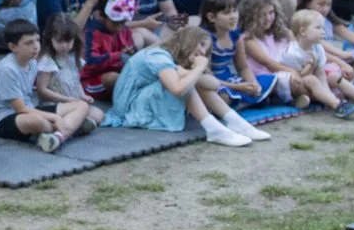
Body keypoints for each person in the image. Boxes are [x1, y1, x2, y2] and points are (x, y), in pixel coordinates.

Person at [103, 24, 264, 146]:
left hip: (142, 99)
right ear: (188, 41)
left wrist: (196, 71)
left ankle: (236, 123)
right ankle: (214, 129)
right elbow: (178, 88)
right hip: (130, 108)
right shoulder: (158, 55)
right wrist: (199, 68)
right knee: (187, 83)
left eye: (206, 50)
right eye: (200, 45)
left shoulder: (174, 60)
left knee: (192, 79)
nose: (202, 53)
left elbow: (213, 84)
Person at [0, 20, 86, 152]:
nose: (36, 46)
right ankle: (73, 127)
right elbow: (20, 109)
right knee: (38, 122)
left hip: (29, 109)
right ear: (13, 47)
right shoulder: (7, 70)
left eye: (37, 40)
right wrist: (55, 117)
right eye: (29, 43)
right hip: (2, 119)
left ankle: (58, 137)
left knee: (81, 105)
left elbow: (28, 105)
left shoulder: (32, 62)